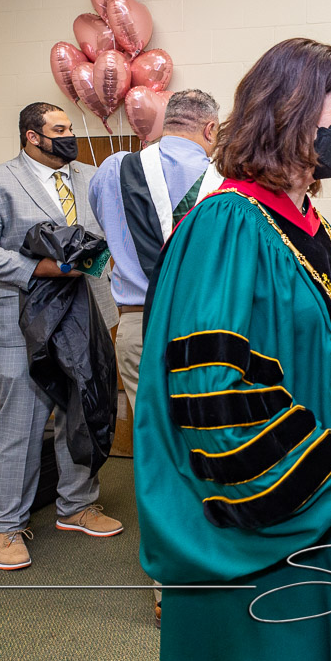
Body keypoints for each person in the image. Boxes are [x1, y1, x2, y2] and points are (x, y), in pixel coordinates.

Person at [134, 38, 331, 661]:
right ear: (291, 113)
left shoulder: (312, 226)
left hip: (324, 512)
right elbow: (214, 389)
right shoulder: (226, 225)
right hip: (262, 520)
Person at [0, 102, 124, 571]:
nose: (70, 136)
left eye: (71, 127)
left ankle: (78, 505)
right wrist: (35, 269)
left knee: (82, 412)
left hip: (85, 314)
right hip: (20, 320)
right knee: (21, 425)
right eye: (60, 129)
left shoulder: (93, 177)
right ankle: (4, 527)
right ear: (32, 136)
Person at [88, 88, 221, 625]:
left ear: (166, 123)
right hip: (207, 328)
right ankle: (217, 565)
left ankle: (169, 583)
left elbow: (104, 230)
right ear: (210, 129)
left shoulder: (111, 170)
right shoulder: (223, 183)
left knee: (157, 448)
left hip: (140, 325)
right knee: (213, 439)